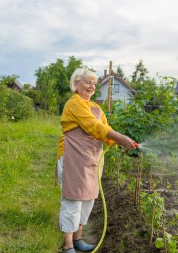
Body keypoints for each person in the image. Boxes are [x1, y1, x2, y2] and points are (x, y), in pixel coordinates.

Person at [56, 68, 136, 253]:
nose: (92, 86)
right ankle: (68, 245)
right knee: (73, 198)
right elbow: (93, 126)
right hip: (73, 156)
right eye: (87, 82)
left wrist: (117, 142)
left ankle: (78, 239)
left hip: (91, 159)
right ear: (76, 84)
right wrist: (119, 137)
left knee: (88, 198)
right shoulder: (74, 104)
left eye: (94, 82)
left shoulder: (96, 108)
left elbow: (104, 128)